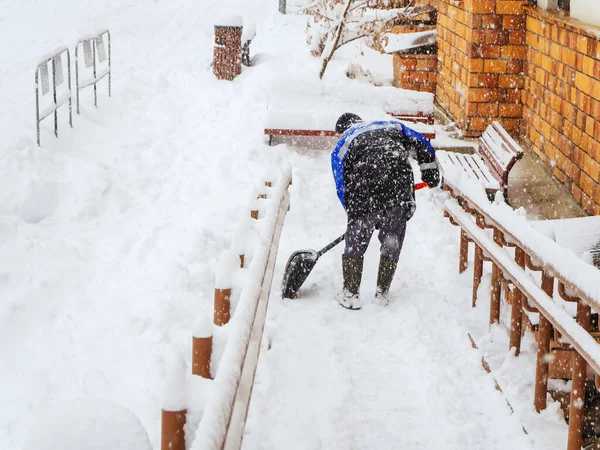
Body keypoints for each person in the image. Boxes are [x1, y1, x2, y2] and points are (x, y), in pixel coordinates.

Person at [331, 113, 440, 310]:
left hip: (363, 189)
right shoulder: (390, 126)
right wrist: (430, 172)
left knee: (356, 241)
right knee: (392, 237)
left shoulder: (343, 142)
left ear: (341, 131)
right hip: (398, 186)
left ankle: (350, 293)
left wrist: (356, 214)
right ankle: (382, 293)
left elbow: (341, 185)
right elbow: (421, 142)